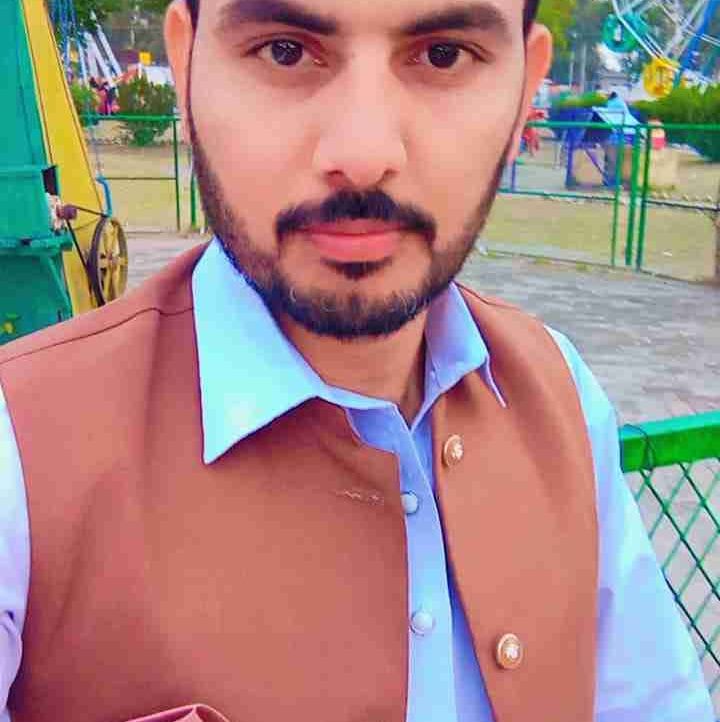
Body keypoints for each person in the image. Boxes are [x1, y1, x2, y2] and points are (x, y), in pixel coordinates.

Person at [0, 1, 715, 721]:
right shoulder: (20, 455)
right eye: (284, 51)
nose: (365, 153)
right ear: (186, 72)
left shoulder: (563, 395)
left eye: (443, 55)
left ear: (526, 88)